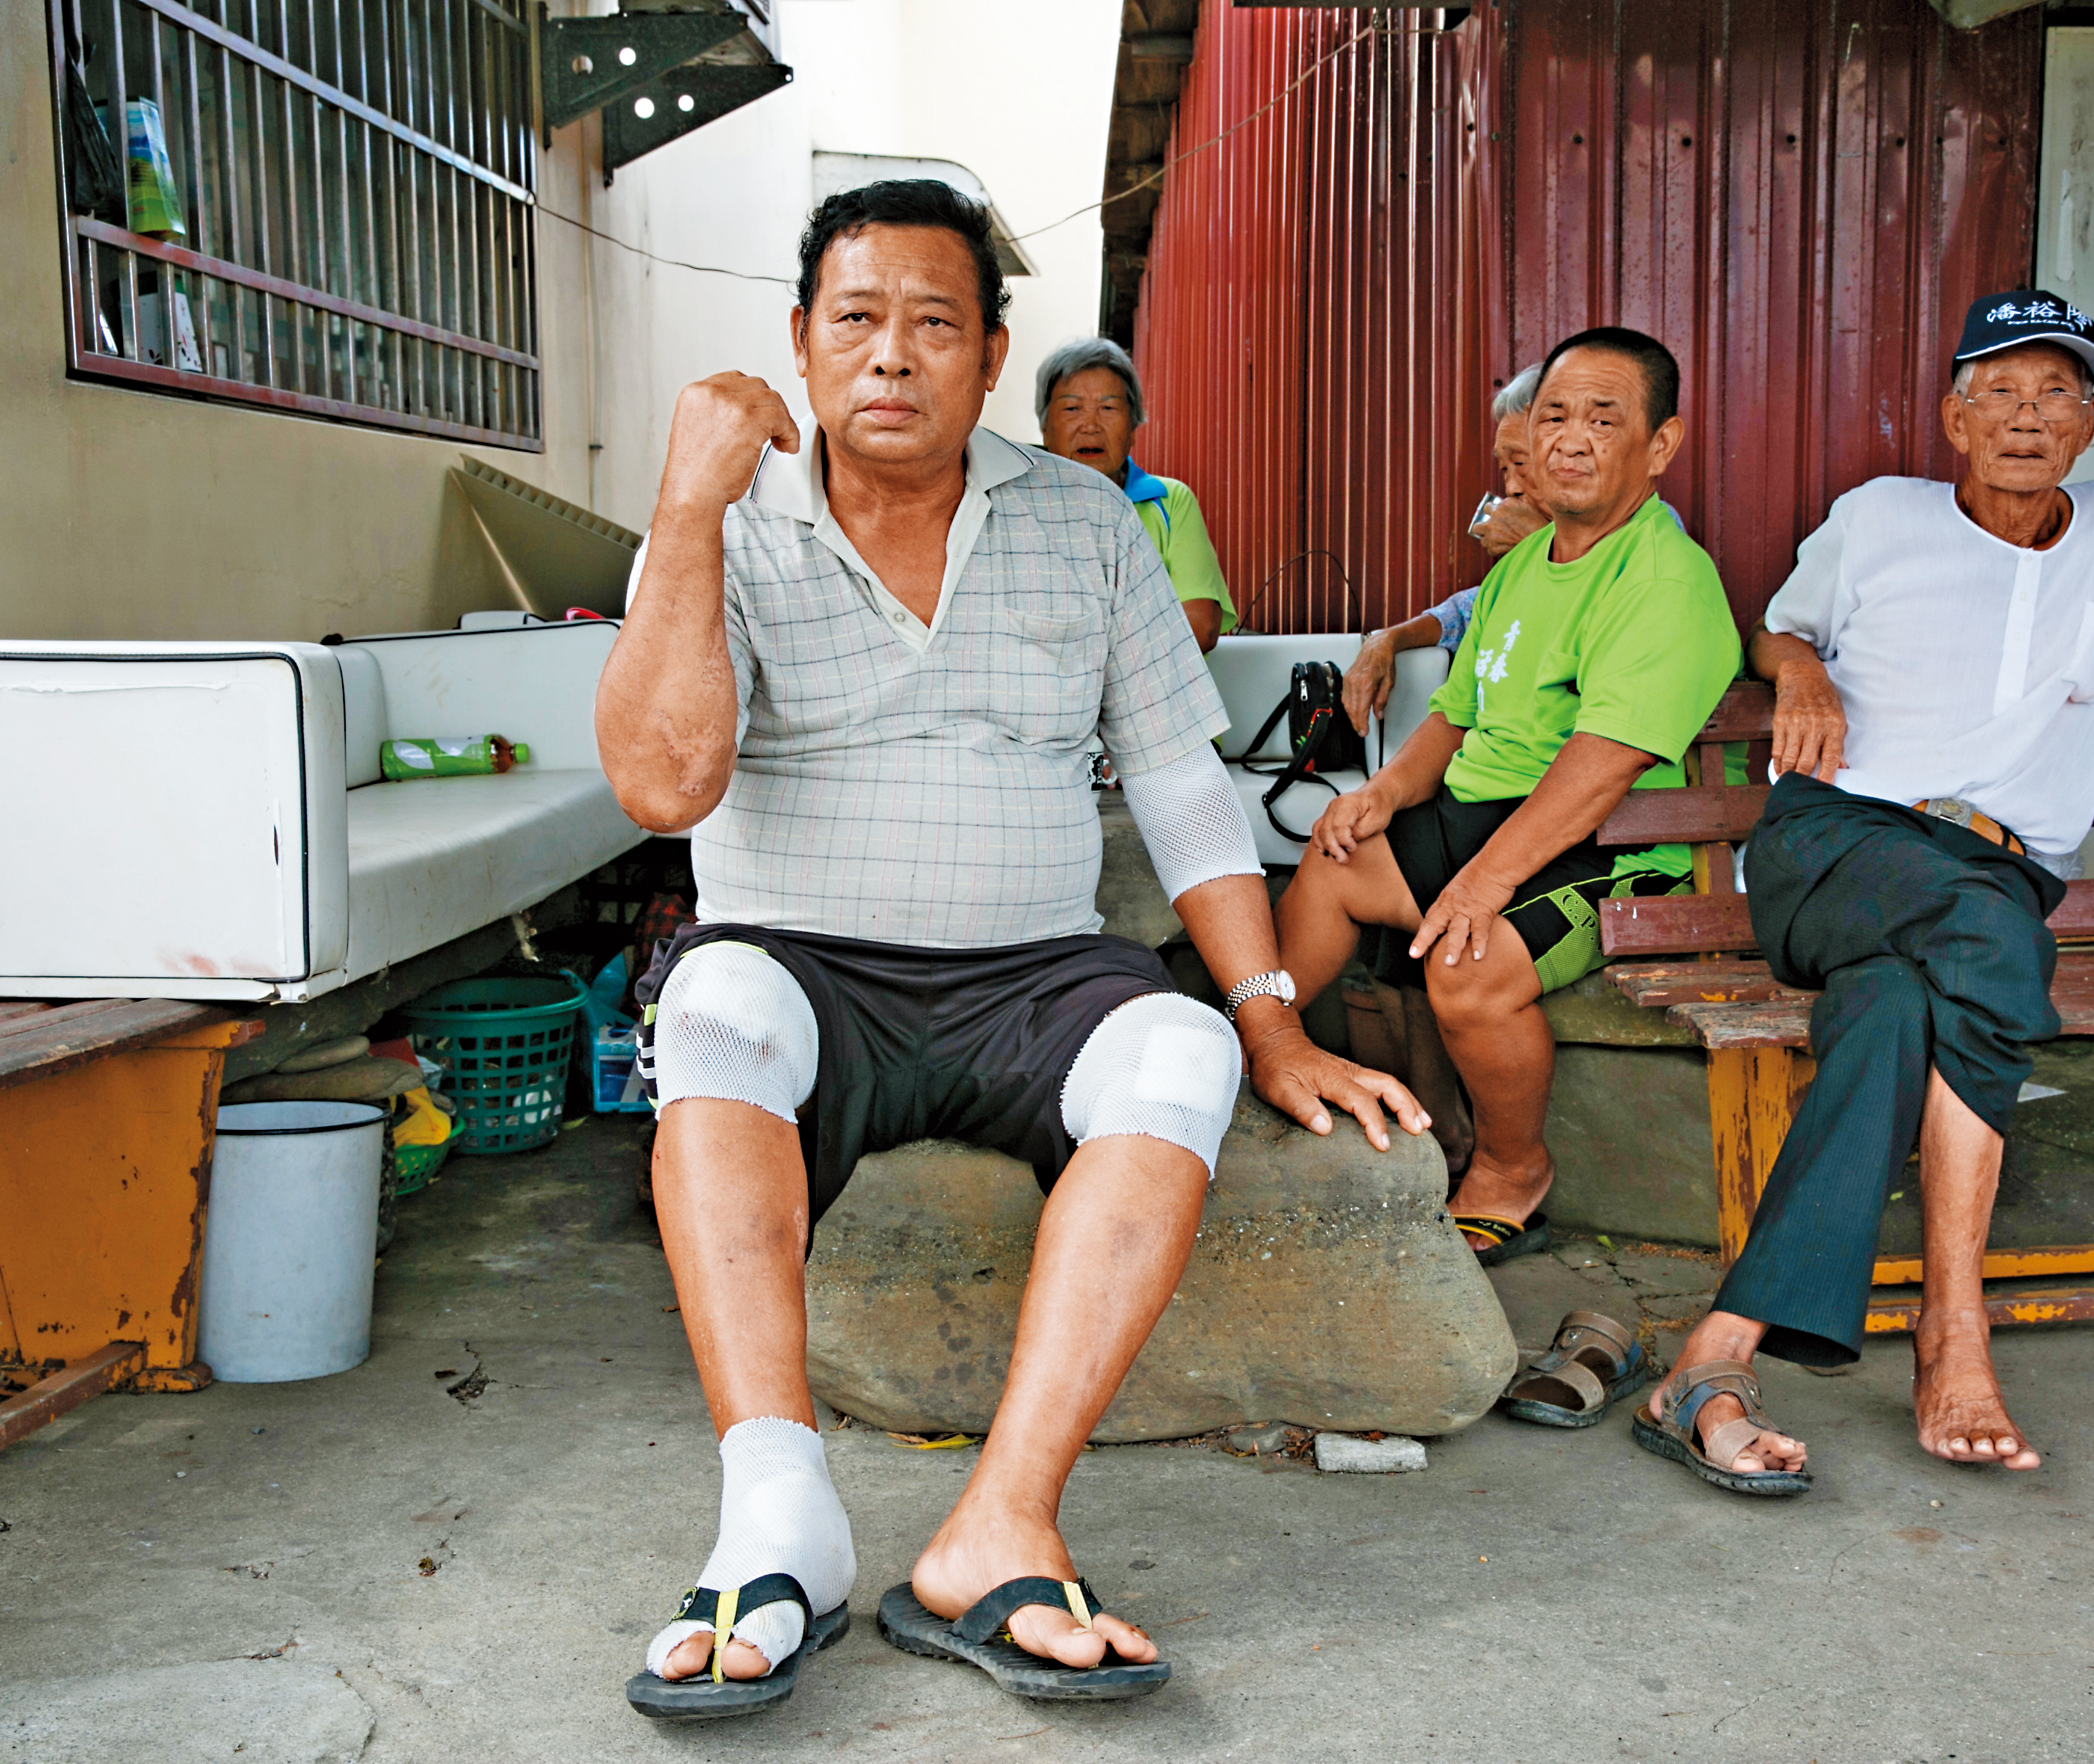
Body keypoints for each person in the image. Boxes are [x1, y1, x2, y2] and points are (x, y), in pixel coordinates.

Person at [596, 180, 1423, 1719]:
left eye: (932, 323)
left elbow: (1182, 781)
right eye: (854, 320)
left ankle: (996, 1528)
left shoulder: (1082, 522)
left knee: (1173, 1047)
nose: (889, 357)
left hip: (1031, 975)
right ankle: (777, 1519)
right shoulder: (717, 520)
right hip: (798, 964)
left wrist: (1268, 1014)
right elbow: (662, 783)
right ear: (797, 340)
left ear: (989, 356)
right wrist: (683, 508)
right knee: (705, 1007)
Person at [1633, 292, 2094, 1498]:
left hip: (1992, 872)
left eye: (2054, 393)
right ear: (1954, 417)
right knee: (1987, 938)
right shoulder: (1882, 517)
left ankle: (1714, 1355)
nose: (2026, 416)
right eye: (2000, 393)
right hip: (1837, 846)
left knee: (1900, 1009)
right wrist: (1802, 674)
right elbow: (1780, 631)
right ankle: (1955, 1327)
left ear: (2090, 422)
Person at [1272, 325, 1742, 1269]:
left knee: (1466, 963)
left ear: (1659, 445)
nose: (1568, 439)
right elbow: (1454, 712)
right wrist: (1381, 793)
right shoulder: (1524, 564)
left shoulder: (1662, 576)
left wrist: (1480, 884)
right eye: (1555, 415)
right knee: (1330, 864)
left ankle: (1511, 1164)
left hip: (1614, 847)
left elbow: (1601, 768)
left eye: (1602, 419)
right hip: (1491, 816)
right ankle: (1264, 1046)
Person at [1340, 365, 1548, 738]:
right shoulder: (1522, 554)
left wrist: (1540, 545)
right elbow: (1468, 611)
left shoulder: (1643, 540)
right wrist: (1387, 639)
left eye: (1521, 464)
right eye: (1504, 469)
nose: (1511, 488)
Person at [1035, 336, 1236, 652]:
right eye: (1072, 408)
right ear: (1045, 428)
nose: (1090, 425)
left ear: (1133, 427)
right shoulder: (1019, 508)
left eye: (1108, 408)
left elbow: (1200, 625)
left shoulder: (1170, 501)